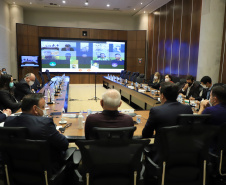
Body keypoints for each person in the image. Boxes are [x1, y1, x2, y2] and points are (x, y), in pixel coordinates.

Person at [4, 93, 69, 172]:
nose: (44, 110)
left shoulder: (8, 122)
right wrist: (58, 133)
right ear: (35, 109)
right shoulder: (45, 124)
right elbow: (64, 144)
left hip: (18, 172)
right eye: (43, 107)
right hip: (45, 173)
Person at [142, 82, 193, 162]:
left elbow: (146, 134)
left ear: (162, 95)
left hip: (161, 156)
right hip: (183, 154)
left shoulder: (156, 110)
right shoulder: (187, 109)